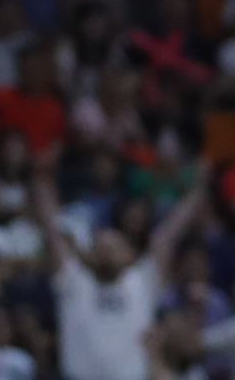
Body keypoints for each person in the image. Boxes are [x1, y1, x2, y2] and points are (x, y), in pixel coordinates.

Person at [35, 149, 205, 380]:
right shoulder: (74, 281)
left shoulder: (142, 282)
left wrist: (197, 189)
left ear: (129, 256)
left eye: (113, 248)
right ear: (90, 255)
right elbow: (52, 228)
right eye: (100, 247)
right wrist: (42, 178)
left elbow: (167, 236)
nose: (106, 252)